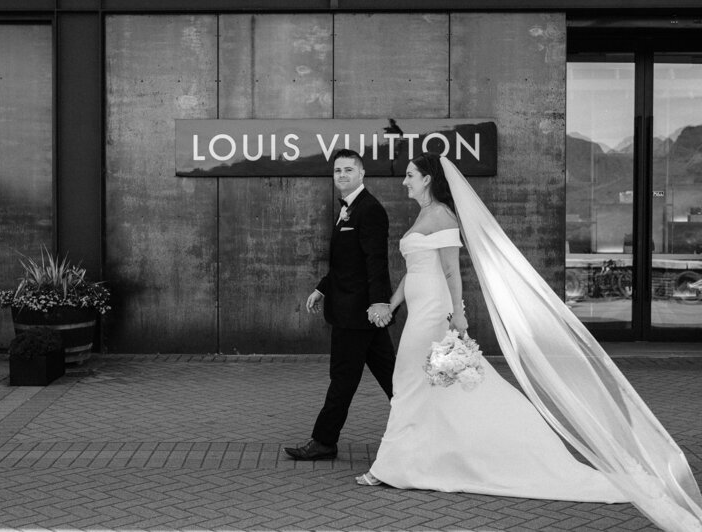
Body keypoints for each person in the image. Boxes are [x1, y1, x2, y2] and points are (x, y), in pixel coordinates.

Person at [353, 152, 702, 532]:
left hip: (434, 311)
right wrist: (392, 302)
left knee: (407, 381)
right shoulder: (421, 216)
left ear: (427, 179)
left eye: (410, 175)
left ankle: (390, 465)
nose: (404, 181)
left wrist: (460, 314)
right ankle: (414, 458)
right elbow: (412, 270)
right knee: (419, 386)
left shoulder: (442, 216)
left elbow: (452, 271)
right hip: (418, 307)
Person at [284, 148, 396, 461]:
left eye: (348, 170)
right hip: (356, 312)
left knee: (343, 379)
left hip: (357, 314)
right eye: (337, 171)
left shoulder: (369, 209)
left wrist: (378, 302)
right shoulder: (348, 208)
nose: (342, 175)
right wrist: (322, 288)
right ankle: (426, 425)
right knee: (392, 377)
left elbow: (375, 261)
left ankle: (323, 441)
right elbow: (347, 263)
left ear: (362, 174)